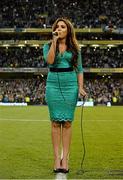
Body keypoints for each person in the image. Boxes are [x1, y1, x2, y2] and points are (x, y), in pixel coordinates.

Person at [43, 17, 87, 173]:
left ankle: (65, 159)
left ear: (68, 30)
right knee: (55, 123)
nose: (59, 29)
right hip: (53, 85)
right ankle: (56, 159)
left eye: (63, 27)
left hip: (70, 86)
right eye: (57, 27)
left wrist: (80, 87)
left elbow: (80, 69)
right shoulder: (47, 46)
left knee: (67, 123)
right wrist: (54, 42)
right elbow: (50, 61)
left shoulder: (75, 47)